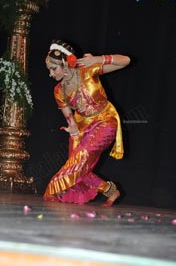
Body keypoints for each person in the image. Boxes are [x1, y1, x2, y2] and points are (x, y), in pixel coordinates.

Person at [43, 39, 130, 206]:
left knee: (79, 161)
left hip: (105, 121)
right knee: (78, 167)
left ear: (65, 62)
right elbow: (70, 118)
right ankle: (110, 190)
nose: (51, 74)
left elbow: (126, 60)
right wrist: (73, 131)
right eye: (49, 70)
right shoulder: (59, 90)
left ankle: (53, 189)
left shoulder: (88, 70)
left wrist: (97, 59)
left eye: (53, 69)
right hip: (81, 126)